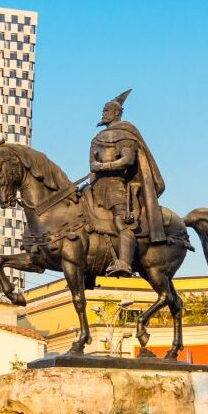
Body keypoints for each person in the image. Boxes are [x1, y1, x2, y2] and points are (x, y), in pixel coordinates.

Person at [88, 89, 166, 277]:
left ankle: (124, 262)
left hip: (117, 185)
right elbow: (92, 164)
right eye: (103, 111)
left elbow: (128, 160)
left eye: (106, 111)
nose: (103, 114)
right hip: (97, 185)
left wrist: (104, 166)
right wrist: (99, 167)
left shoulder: (125, 135)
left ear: (116, 113)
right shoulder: (96, 139)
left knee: (122, 222)